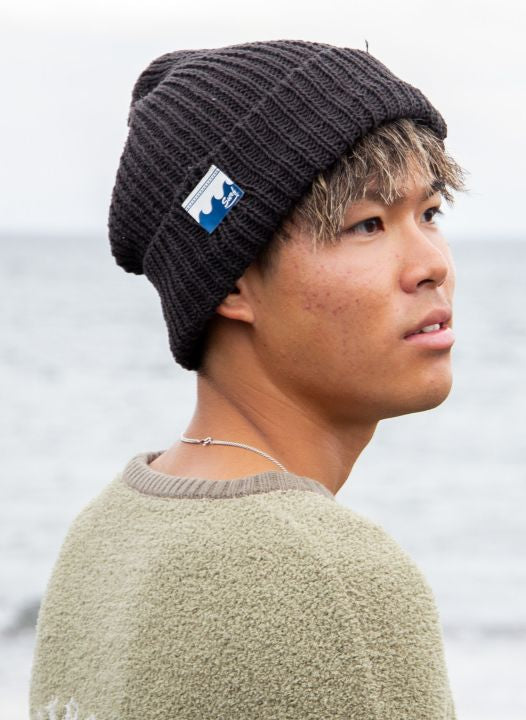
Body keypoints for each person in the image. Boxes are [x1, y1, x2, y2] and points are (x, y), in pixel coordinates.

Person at [29, 39, 467, 720]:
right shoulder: (336, 579)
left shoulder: (107, 533)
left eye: (430, 213)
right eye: (367, 224)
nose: (431, 264)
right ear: (232, 281)